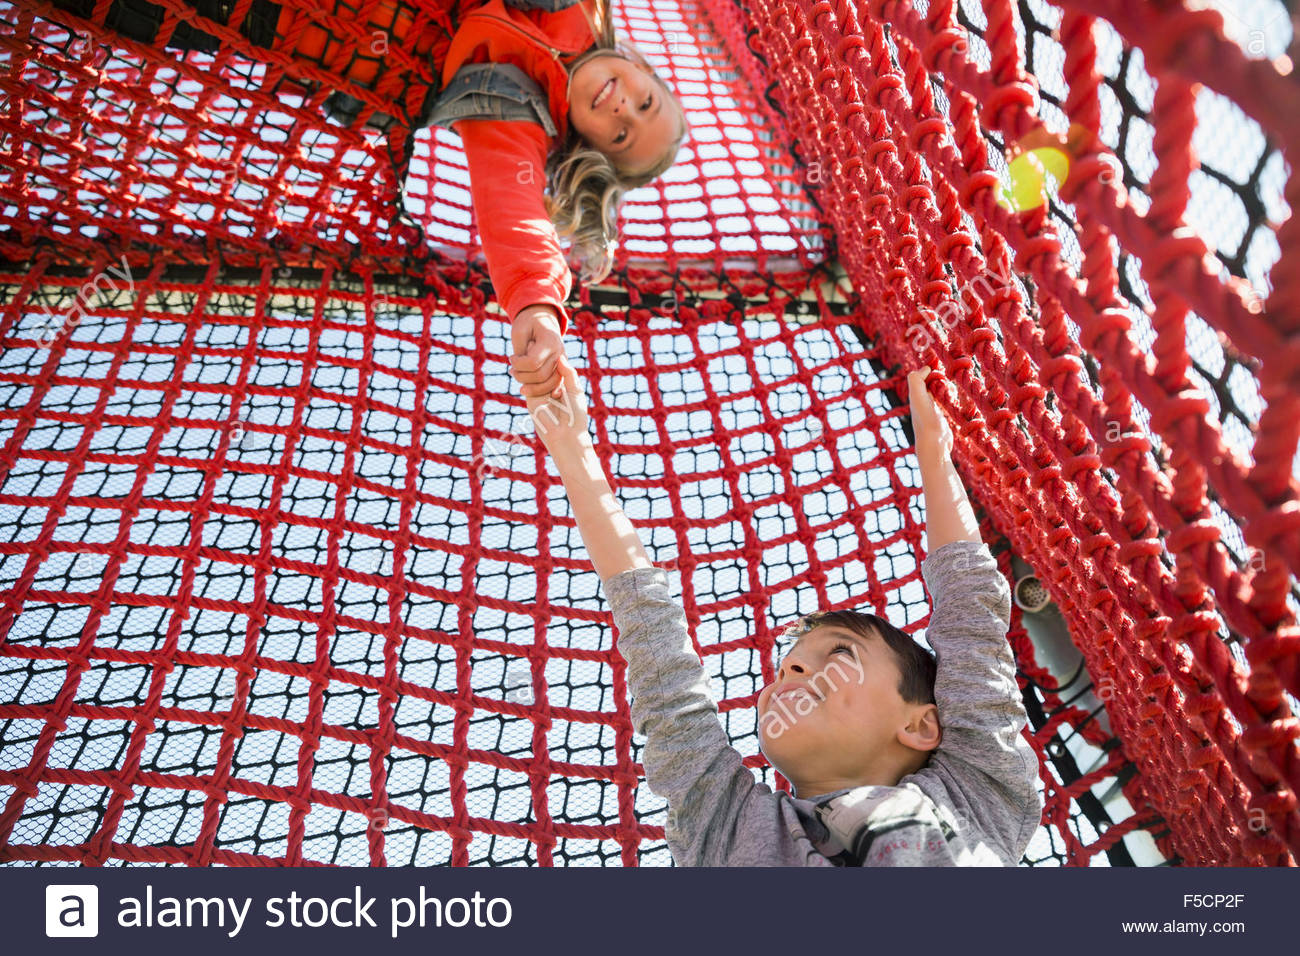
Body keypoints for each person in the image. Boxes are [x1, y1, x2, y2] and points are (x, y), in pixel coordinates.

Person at [523, 364, 1044, 865]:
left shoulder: (977, 792)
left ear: (922, 724)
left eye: (839, 654)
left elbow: (972, 626)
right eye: (786, 665)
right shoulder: (726, 823)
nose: (789, 670)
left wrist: (935, 456)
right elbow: (656, 649)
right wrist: (571, 448)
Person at [44, 1, 689, 399]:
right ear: (642, 68)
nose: (622, 106)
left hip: (284, 20)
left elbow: (510, 208)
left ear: (592, 150)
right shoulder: (578, 11)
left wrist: (536, 305)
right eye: (645, 99)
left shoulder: (515, 111)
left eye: (623, 134)